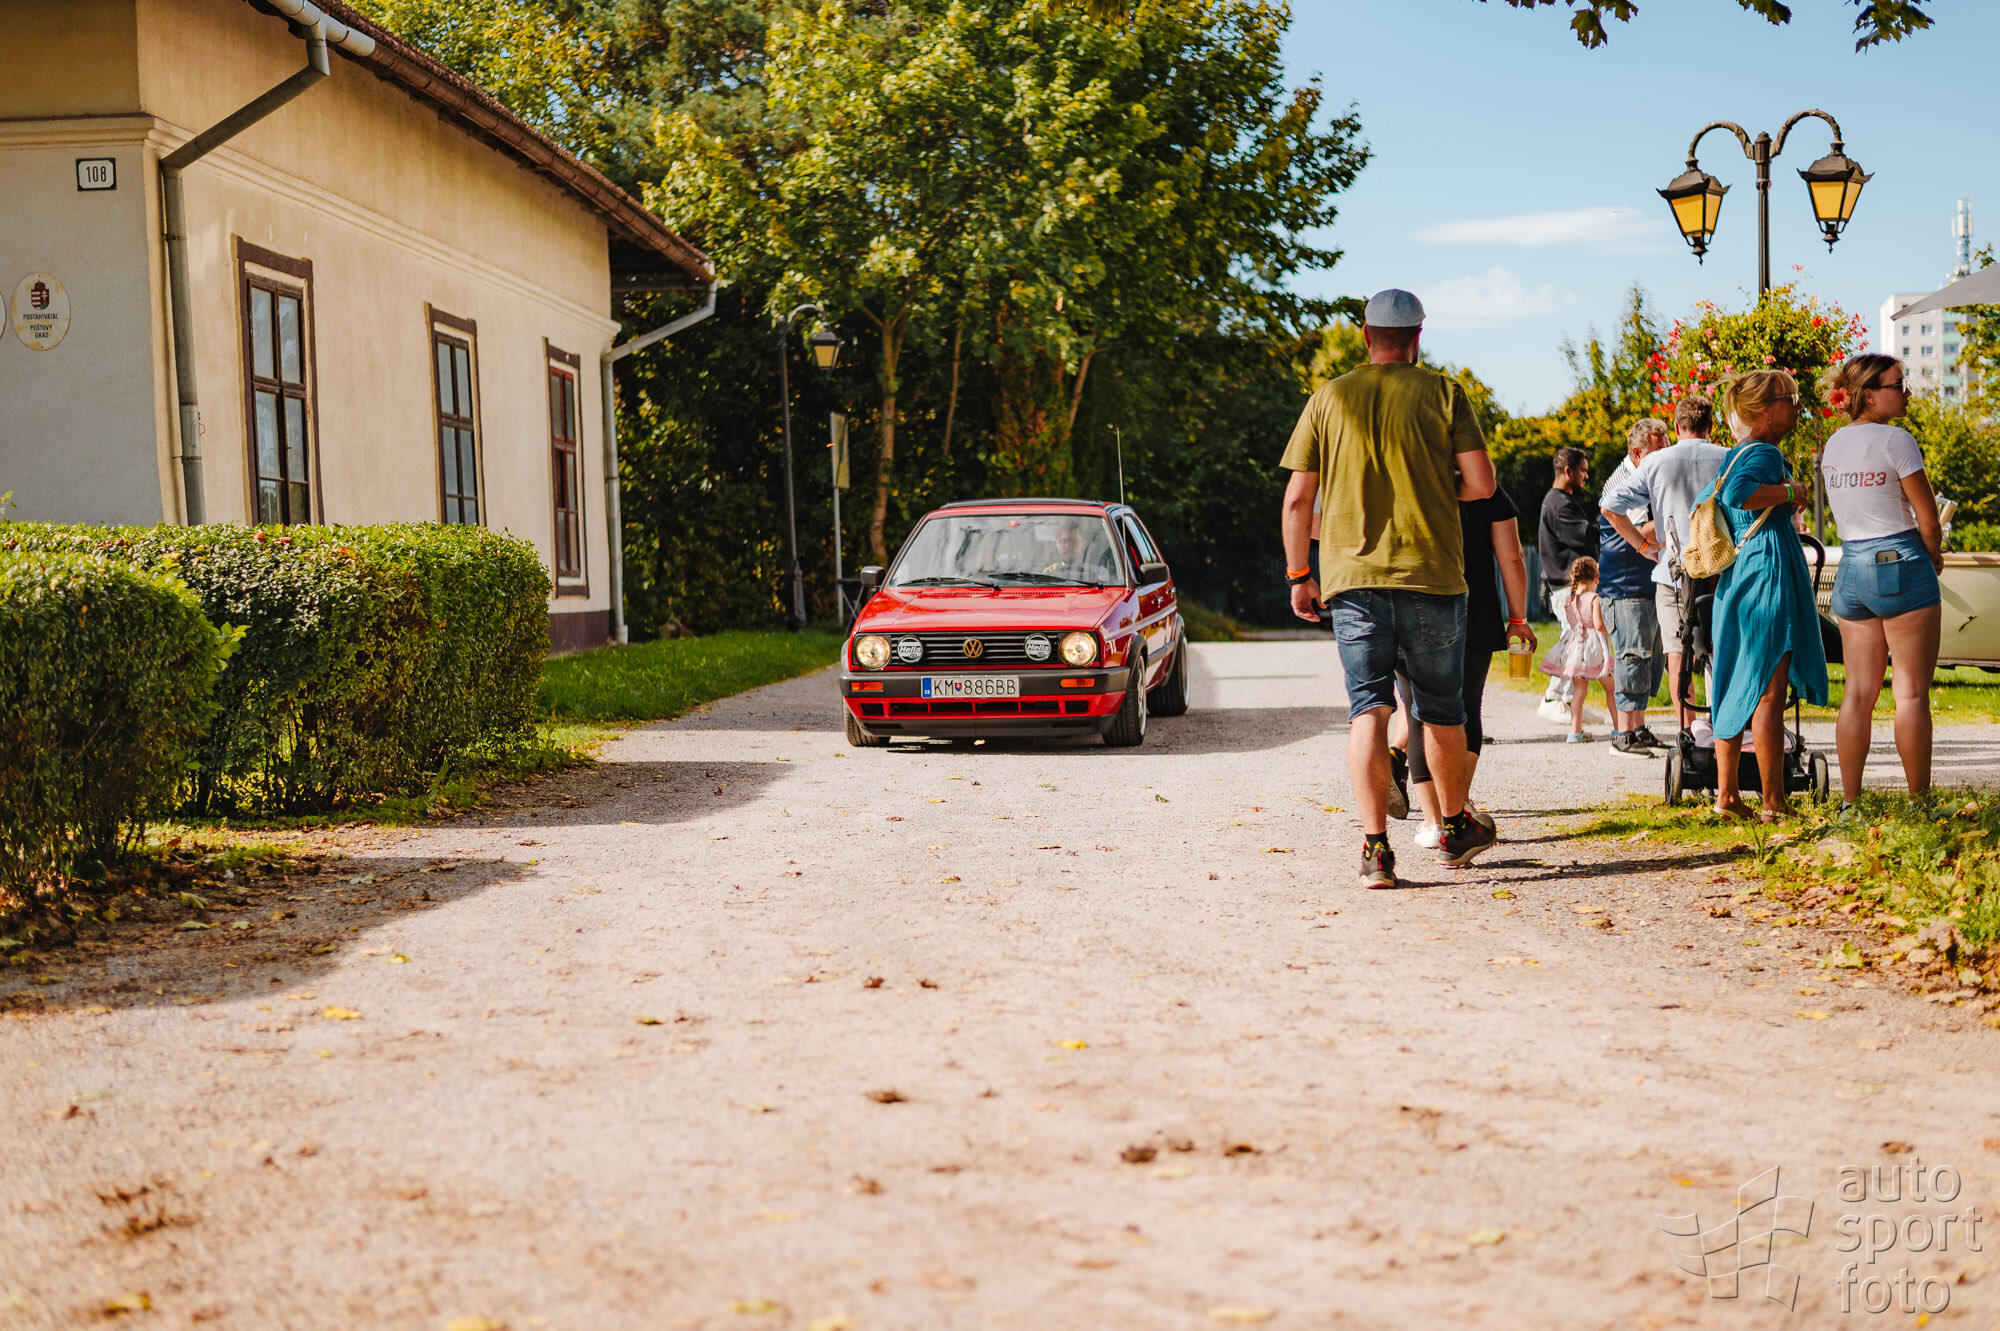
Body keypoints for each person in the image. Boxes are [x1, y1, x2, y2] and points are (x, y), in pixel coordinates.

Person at [1280, 288, 1499, 889]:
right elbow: (1481, 484)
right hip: (1432, 576)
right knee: (1442, 709)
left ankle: (1376, 850)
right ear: (1418, 337)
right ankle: (1454, 829)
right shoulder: (1444, 393)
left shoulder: (1329, 398)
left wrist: (1300, 575)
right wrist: (1434, 487)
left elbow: (1297, 500)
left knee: (1369, 710)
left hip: (1353, 584)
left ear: (1365, 335)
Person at [1697, 370, 1828, 821]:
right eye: (1791, 399)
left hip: (1738, 573)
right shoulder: (1765, 452)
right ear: (1767, 411)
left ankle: (1728, 795)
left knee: (1734, 681)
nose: (1798, 406)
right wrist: (1793, 490)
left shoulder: (1733, 454)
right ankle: (1774, 801)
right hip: (1767, 571)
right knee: (1770, 689)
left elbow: (1712, 498)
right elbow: (1739, 494)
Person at [1819, 354, 1944, 809]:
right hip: (1900, 560)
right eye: (1898, 384)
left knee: (1857, 693)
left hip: (1851, 567)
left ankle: (1850, 802)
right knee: (1910, 692)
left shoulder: (1834, 445)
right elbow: (1928, 519)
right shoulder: (1897, 440)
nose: (1906, 392)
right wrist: (1933, 554)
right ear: (1869, 395)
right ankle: (1919, 802)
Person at [1401, 494, 1538, 849]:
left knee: (1417, 714)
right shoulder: (1488, 490)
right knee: (1465, 708)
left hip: (1409, 604)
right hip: (1474, 609)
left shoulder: (1408, 474)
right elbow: (1511, 556)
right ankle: (1456, 810)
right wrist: (1518, 618)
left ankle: (1433, 822)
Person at [1600, 395, 1730, 733]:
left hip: (1672, 571)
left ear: (1676, 425)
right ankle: (1722, 729)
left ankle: (1688, 733)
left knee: (1677, 653)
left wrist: (1643, 545)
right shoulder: (1728, 458)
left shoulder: (1656, 462)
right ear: (1711, 425)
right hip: (1720, 570)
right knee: (1720, 650)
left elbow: (1609, 506)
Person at [1597, 419, 1669, 755]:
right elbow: (1641, 530)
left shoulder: (1642, 475)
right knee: (1632, 656)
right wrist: (1676, 514)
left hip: (1641, 581)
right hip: (1625, 585)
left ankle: (1637, 728)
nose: (1665, 456)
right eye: (1659, 451)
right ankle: (1623, 734)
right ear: (1638, 453)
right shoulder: (1628, 480)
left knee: (1646, 658)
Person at [1540, 557, 1614, 743]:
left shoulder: (1570, 598)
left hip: (1576, 650)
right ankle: (1619, 728)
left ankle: (1575, 731)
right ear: (1596, 578)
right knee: (1611, 689)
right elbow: (1598, 624)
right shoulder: (1594, 598)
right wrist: (1611, 631)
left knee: (1579, 691)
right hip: (1594, 650)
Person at [1538, 447, 1598, 608]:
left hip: (1571, 590)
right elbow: (1588, 536)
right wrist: (1609, 518)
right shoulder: (1560, 505)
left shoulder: (1558, 501)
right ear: (1568, 471)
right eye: (1583, 470)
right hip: (1570, 591)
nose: (1586, 476)